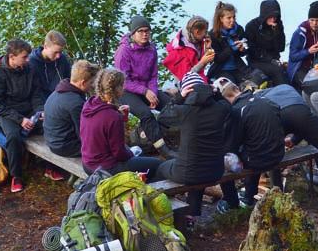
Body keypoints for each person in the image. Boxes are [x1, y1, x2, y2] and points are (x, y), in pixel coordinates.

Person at [254, 84, 318, 212]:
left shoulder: (258, 98)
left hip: (274, 117)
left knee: (274, 155)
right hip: (298, 112)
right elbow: (304, 120)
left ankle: (279, 202)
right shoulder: (286, 87)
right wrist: (295, 139)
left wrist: (293, 139)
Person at [156, 72, 232, 222]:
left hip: (189, 172)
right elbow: (227, 105)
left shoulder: (184, 111)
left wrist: (179, 97)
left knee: (160, 168)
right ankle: (192, 214)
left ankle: (167, 215)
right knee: (198, 167)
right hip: (215, 171)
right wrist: (214, 92)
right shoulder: (220, 109)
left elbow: (162, 117)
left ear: (187, 92)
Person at [213, 78, 285, 210]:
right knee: (253, 146)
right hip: (279, 153)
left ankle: (231, 202)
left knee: (223, 159)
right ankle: (249, 195)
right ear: (237, 88)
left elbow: (230, 147)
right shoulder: (264, 99)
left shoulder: (236, 111)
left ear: (223, 98)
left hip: (260, 159)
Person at [80, 68, 163, 180]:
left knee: (139, 155)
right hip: (106, 168)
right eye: (122, 85)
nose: (124, 88)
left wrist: (120, 116)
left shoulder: (89, 105)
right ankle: (142, 191)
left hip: (88, 163)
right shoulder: (113, 117)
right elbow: (119, 154)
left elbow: (103, 127)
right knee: (157, 164)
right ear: (117, 89)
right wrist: (131, 154)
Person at [114, 15, 176, 159]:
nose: (145, 34)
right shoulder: (124, 51)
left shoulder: (151, 49)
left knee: (171, 105)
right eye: (140, 31)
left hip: (147, 89)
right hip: (126, 91)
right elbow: (123, 80)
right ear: (133, 33)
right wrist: (145, 91)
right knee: (146, 114)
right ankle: (162, 148)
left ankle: (168, 136)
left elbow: (153, 75)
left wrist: (153, 93)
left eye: (147, 31)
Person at [0, 39, 45, 193]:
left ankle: (51, 167)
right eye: (24, 57)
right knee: (13, 136)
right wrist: (20, 120)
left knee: (51, 125)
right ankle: (16, 176)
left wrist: (40, 111)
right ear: (12, 57)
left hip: (29, 110)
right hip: (8, 113)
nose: (28, 60)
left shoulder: (30, 69)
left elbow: (36, 95)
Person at [43, 60, 99, 161]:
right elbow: (84, 134)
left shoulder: (59, 90)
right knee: (104, 148)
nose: (92, 85)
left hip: (52, 140)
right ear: (83, 82)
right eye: (91, 82)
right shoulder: (75, 102)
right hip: (64, 147)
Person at [287, 1, 318, 89]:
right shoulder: (299, 33)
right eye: (311, 20)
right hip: (300, 68)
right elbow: (293, 56)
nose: (314, 23)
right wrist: (308, 51)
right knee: (311, 86)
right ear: (308, 19)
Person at [207, 2, 253, 85]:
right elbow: (217, 59)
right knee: (232, 88)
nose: (232, 20)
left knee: (255, 82)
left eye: (234, 17)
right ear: (221, 19)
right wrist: (231, 49)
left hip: (238, 67)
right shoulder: (212, 35)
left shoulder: (239, 29)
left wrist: (242, 49)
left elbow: (244, 53)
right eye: (229, 18)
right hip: (222, 70)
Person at [245, 0, 287, 85]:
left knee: (284, 70)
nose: (273, 19)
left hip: (274, 60)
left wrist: (276, 32)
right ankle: (283, 93)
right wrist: (269, 59)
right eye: (270, 16)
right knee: (276, 70)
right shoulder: (252, 26)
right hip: (256, 61)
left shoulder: (278, 24)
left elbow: (281, 48)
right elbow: (252, 50)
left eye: (275, 16)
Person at [164, 16, 215, 82]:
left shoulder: (197, 41)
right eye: (205, 32)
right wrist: (202, 62)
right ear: (197, 32)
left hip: (201, 79)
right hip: (187, 85)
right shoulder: (178, 50)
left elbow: (203, 66)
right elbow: (186, 76)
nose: (206, 35)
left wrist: (208, 48)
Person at [29, 30, 72, 101]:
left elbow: (69, 80)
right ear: (45, 46)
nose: (58, 56)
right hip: (42, 103)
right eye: (55, 52)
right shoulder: (32, 63)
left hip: (62, 100)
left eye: (60, 52)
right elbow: (34, 92)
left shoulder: (62, 59)